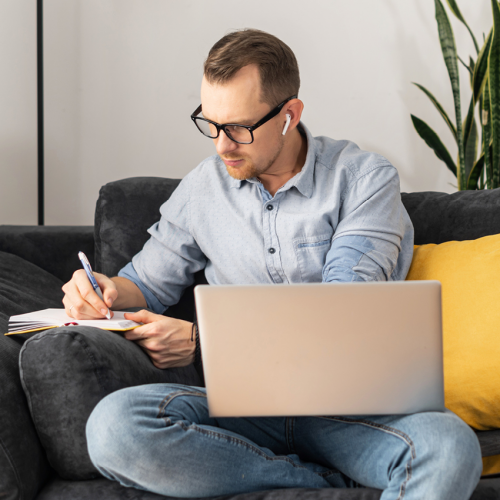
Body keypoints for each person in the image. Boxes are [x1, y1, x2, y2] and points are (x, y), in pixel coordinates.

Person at [62, 28, 482, 500]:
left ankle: (322, 471)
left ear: (290, 115)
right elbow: (146, 282)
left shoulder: (363, 179)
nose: (221, 145)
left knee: (449, 447)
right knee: (113, 428)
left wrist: (202, 342)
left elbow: (343, 312)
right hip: (239, 412)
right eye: (210, 123)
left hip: (351, 413)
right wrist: (107, 290)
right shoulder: (204, 188)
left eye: (239, 127)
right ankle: (313, 482)